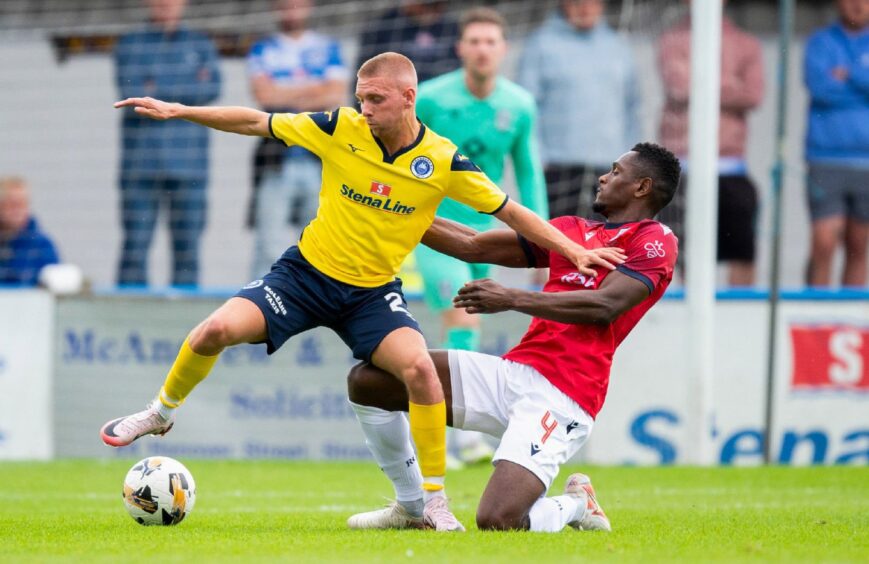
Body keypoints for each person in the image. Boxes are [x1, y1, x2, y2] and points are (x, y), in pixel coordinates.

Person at [100, 52, 625, 532]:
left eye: (375, 99)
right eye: (361, 98)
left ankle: (430, 502)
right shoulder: (338, 127)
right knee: (215, 329)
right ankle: (160, 412)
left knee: (418, 368)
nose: (365, 108)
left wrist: (571, 251)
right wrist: (181, 111)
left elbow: (510, 211)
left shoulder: (442, 160)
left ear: (407, 98)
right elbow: (255, 121)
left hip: (371, 294)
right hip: (303, 276)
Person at [345, 142, 680, 532]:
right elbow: (472, 244)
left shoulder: (654, 241)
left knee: (498, 520)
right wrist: (385, 208)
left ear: (642, 187)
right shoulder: (572, 231)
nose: (604, 177)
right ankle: (413, 506)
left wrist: (512, 298)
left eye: (616, 171)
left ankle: (574, 504)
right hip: (512, 375)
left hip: (564, 394)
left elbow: (605, 305)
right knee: (370, 381)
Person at [415, 7, 548, 465]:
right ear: (461, 49)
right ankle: (461, 439)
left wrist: (542, 244)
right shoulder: (430, 99)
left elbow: (529, 175)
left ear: (503, 49)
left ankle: (449, 432)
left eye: (491, 41)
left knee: (467, 327)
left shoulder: (519, 104)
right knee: (463, 319)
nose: (482, 49)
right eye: (474, 41)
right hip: (434, 230)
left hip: (486, 235)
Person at [658, 0, 765, 286]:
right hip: (683, 168)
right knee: (677, 253)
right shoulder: (672, 39)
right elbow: (679, 87)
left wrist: (703, 81)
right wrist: (731, 84)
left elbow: (753, 95)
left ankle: (740, 320)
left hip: (730, 167)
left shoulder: (745, 43)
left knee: (742, 250)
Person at [114, 0, 221, 286]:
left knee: (188, 251)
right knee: (135, 247)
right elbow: (132, 90)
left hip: (190, 167)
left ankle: (187, 327)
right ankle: (125, 321)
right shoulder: (130, 44)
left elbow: (212, 88)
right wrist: (187, 91)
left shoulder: (201, 44)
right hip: (141, 165)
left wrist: (156, 88)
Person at [246, 0, 349, 277]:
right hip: (276, 158)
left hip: (320, 160)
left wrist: (286, 91)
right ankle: (254, 311)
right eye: (284, 4)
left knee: (320, 243)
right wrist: (314, 89)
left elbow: (335, 96)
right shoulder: (263, 48)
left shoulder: (328, 47)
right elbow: (265, 97)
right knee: (267, 244)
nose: (291, 8)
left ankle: (314, 307)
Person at [518, 0, 640, 219]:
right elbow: (526, 107)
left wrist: (631, 161)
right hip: (557, 169)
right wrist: (538, 156)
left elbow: (631, 108)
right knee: (557, 248)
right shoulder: (540, 44)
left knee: (606, 247)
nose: (585, 8)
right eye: (577, 3)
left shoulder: (618, 46)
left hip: (610, 169)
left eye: (592, 2)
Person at [803, 0, 869, 287]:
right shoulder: (820, 42)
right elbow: (820, 88)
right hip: (825, 157)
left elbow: (835, 87)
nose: (857, 4)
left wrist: (848, 75)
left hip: (866, 160)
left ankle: (849, 314)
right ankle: (813, 309)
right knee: (825, 241)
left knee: (859, 244)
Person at [356, 0, 460, 84]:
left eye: (436, 5)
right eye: (424, 5)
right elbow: (364, 75)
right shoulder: (382, 27)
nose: (429, 11)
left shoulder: (451, 27)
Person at [0, 176, 59, 286]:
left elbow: (55, 287)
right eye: (12, 204)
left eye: (22, 204)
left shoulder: (42, 245)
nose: (17, 211)